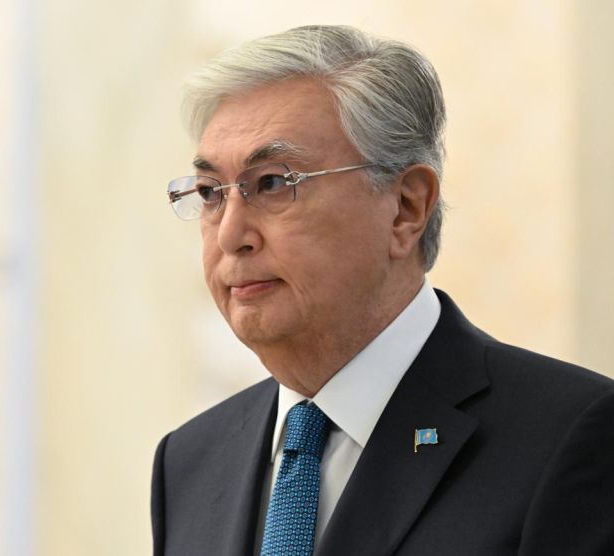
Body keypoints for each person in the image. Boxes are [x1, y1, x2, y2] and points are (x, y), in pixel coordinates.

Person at [151, 25, 614, 556]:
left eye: (273, 183)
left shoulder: (571, 437)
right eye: (210, 193)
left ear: (405, 209)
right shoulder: (188, 461)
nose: (230, 235)